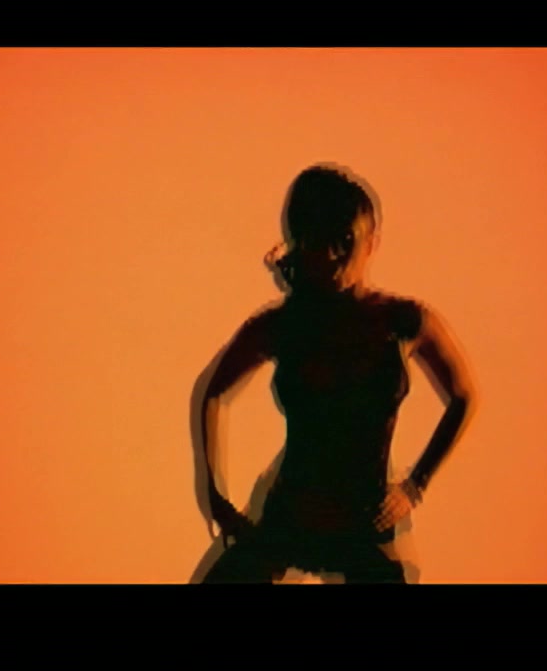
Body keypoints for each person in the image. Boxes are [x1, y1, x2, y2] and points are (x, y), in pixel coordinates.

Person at [193, 163, 476, 583]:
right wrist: (215, 496)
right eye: (320, 241)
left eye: (345, 241)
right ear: (303, 242)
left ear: (372, 242)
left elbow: (462, 395)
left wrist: (415, 486)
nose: (333, 256)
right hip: (292, 517)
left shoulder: (401, 320)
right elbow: (214, 391)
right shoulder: (284, 325)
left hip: (366, 526)